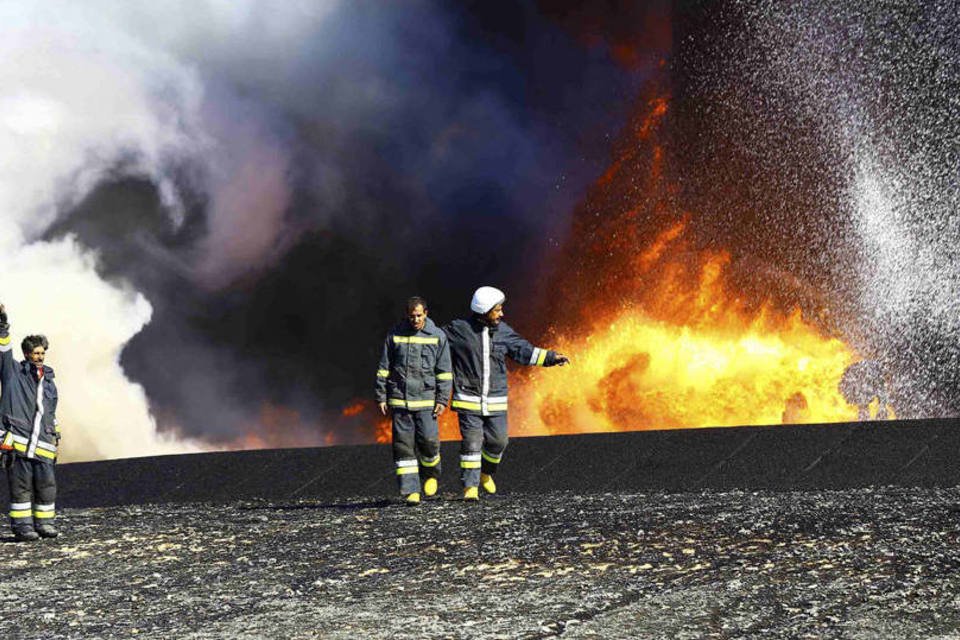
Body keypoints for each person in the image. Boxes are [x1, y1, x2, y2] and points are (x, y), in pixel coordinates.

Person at [444, 286, 569, 501]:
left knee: (499, 441)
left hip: (495, 400)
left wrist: (550, 358)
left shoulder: (503, 332)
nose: (501, 314)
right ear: (484, 311)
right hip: (468, 400)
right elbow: (435, 340)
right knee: (472, 443)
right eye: (497, 310)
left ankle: (486, 473)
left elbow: (524, 350)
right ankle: (469, 488)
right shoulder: (459, 330)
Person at [376, 296, 452, 504]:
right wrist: (381, 396)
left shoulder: (438, 336)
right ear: (406, 315)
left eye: (419, 316)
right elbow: (384, 368)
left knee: (429, 441)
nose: (415, 320)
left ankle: (430, 474)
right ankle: (411, 490)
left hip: (427, 400)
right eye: (412, 316)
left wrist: (442, 399)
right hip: (400, 400)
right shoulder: (394, 335)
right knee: (403, 447)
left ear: (426, 313)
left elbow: (444, 372)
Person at [0, 304, 61, 541]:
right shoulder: (13, 373)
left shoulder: (49, 381)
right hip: (18, 441)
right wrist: (3, 325)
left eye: (42, 353)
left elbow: (51, 410)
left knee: (46, 487)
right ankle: (23, 528)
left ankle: (45, 524)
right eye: (36, 353)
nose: (40, 357)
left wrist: (55, 434)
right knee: (21, 487)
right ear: (27, 354)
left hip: (44, 443)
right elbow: (3, 351)